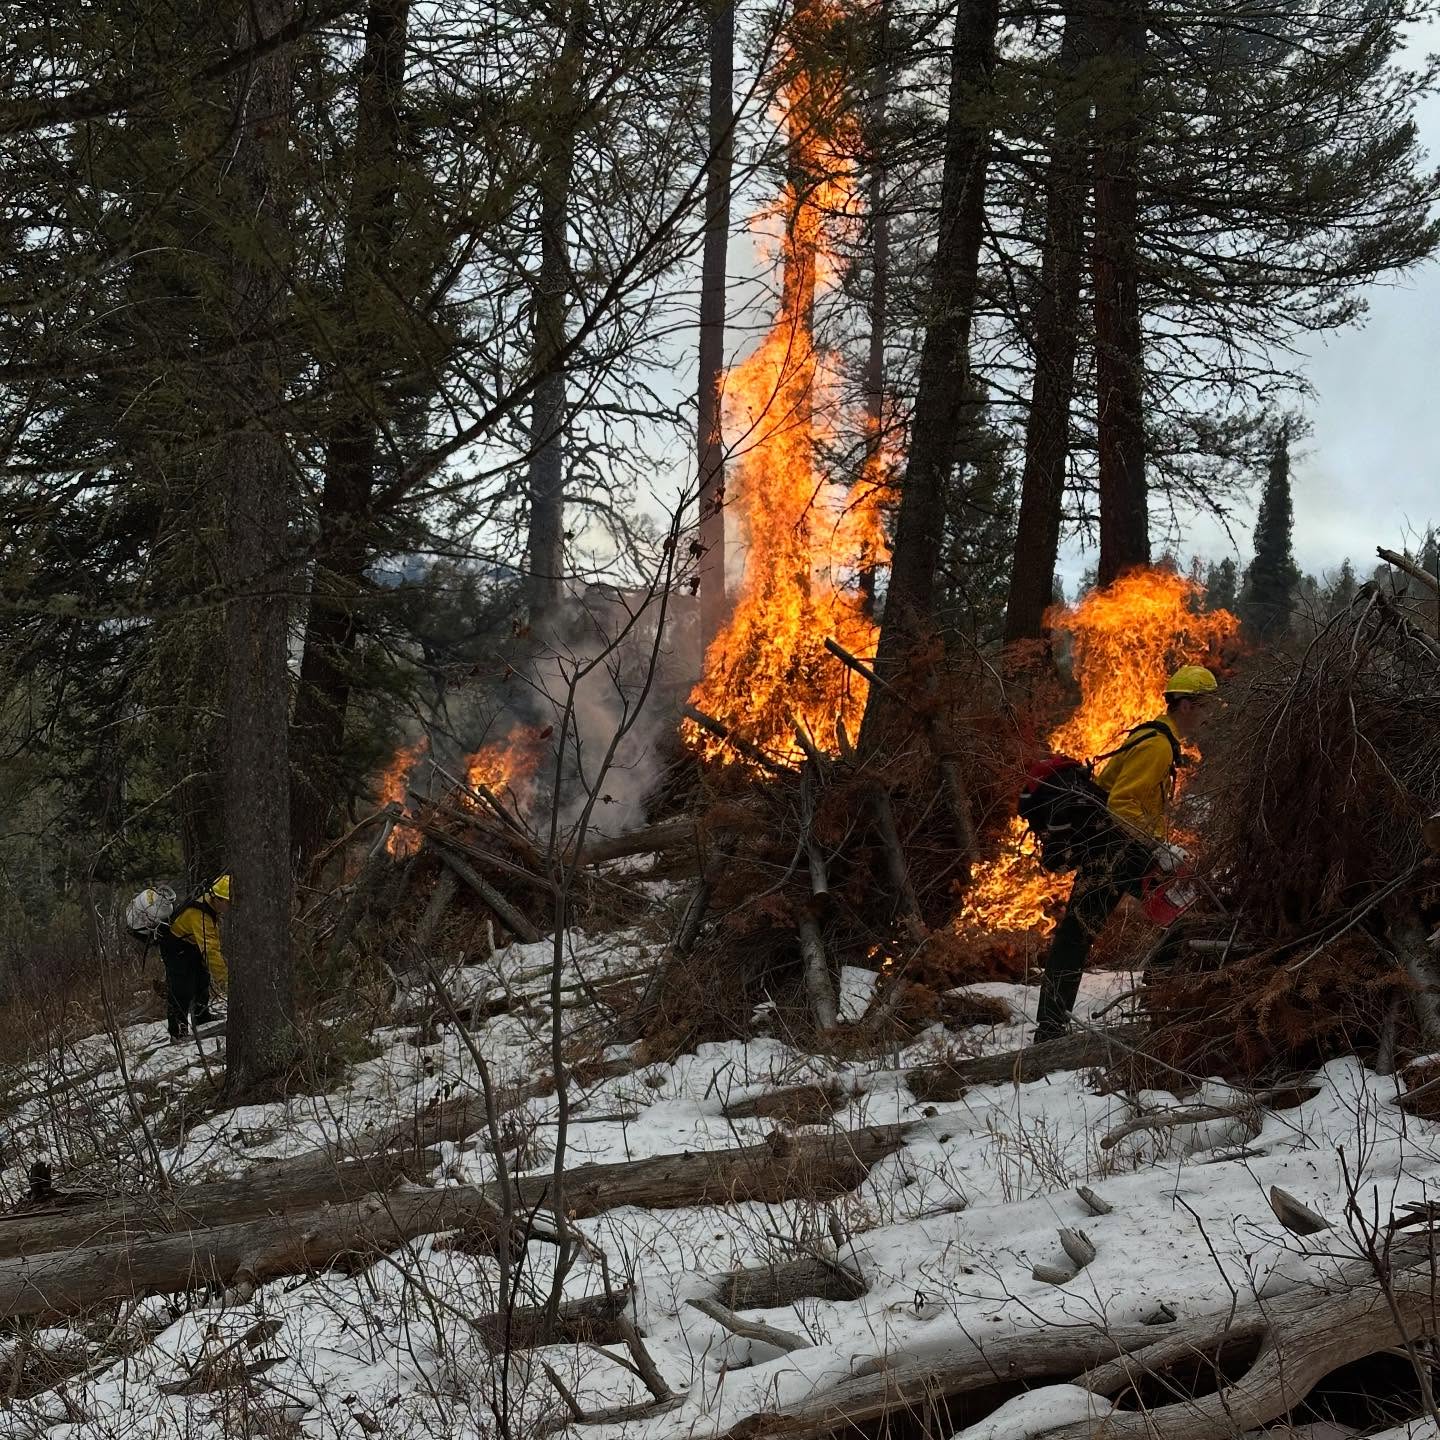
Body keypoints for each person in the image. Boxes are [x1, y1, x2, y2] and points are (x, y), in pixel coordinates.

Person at [1032, 666, 1219, 1042]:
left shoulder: (1159, 737)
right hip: (1116, 850)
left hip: (1119, 846)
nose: (1209, 713)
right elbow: (1122, 805)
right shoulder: (1157, 745)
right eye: (1205, 705)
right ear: (1185, 704)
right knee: (1177, 917)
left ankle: (1060, 1024)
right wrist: (1159, 848)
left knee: (1086, 932)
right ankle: (1054, 1029)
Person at [158, 874, 230, 1042]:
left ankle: (201, 1015)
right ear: (218, 898)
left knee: (202, 979)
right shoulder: (199, 915)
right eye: (228, 902)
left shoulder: (209, 903)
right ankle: (178, 1030)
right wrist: (225, 979)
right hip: (175, 946)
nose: (230, 906)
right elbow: (211, 949)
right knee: (181, 987)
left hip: (191, 943)